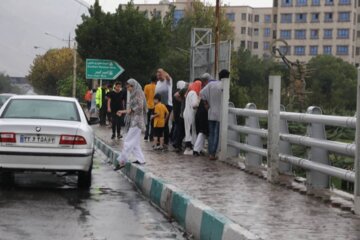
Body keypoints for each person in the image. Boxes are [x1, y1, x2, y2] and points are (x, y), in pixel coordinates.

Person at [115, 78, 147, 169]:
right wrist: (122, 111)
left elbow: (140, 107)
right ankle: (141, 159)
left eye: (128, 87)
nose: (128, 89)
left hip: (137, 122)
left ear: (133, 86)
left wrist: (128, 111)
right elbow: (131, 110)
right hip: (134, 120)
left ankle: (122, 161)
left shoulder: (138, 93)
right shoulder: (134, 94)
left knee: (128, 141)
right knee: (135, 143)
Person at [200, 70, 230, 160]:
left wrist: (206, 104)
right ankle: (213, 154)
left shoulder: (211, 84)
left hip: (211, 111)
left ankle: (210, 152)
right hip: (220, 114)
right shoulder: (224, 85)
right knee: (216, 133)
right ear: (226, 77)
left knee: (211, 133)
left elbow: (201, 93)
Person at [183, 80, 202, 155]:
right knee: (191, 130)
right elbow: (194, 105)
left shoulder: (190, 92)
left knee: (187, 130)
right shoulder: (194, 93)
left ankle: (188, 147)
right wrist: (199, 100)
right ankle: (190, 148)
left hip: (187, 113)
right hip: (190, 114)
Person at [155, 68, 173, 147]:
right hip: (159, 105)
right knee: (158, 123)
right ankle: (158, 141)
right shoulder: (158, 83)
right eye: (157, 75)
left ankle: (165, 142)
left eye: (160, 74)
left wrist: (163, 73)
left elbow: (168, 77)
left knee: (164, 124)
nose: (158, 76)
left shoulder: (168, 81)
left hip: (167, 105)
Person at [193, 77, 209, 156]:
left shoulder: (199, 92)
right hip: (203, 114)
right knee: (202, 131)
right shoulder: (206, 91)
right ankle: (196, 149)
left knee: (200, 131)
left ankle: (199, 149)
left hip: (198, 113)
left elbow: (195, 105)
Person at [172, 80, 187, 152]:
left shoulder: (175, 92)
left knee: (176, 127)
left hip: (175, 112)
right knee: (179, 129)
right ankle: (176, 142)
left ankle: (175, 142)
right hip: (180, 113)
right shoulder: (180, 92)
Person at [144, 75, 157, 141]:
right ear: (156, 81)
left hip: (147, 106)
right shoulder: (157, 87)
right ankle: (151, 136)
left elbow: (145, 96)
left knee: (147, 121)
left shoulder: (146, 86)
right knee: (153, 122)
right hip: (154, 107)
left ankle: (146, 135)